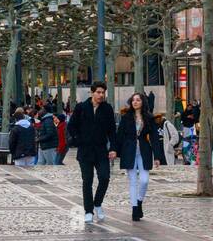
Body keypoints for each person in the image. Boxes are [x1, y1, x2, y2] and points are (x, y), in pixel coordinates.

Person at [67, 81, 117, 223]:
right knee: (87, 181)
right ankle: (88, 210)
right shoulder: (81, 107)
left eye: (103, 93)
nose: (101, 95)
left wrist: (113, 148)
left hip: (101, 150)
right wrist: (78, 139)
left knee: (105, 177)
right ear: (92, 92)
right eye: (99, 92)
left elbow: (112, 130)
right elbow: (71, 126)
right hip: (85, 151)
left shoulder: (107, 109)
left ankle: (97, 203)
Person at [117, 93, 163, 221]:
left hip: (144, 151)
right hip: (129, 151)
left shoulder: (149, 117)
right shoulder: (126, 117)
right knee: (132, 181)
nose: (135, 102)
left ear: (143, 102)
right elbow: (119, 134)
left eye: (138, 100)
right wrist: (114, 150)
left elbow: (154, 137)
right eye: (133, 100)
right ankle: (134, 208)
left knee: (144, 180)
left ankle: (139, 201)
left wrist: (157, 157)